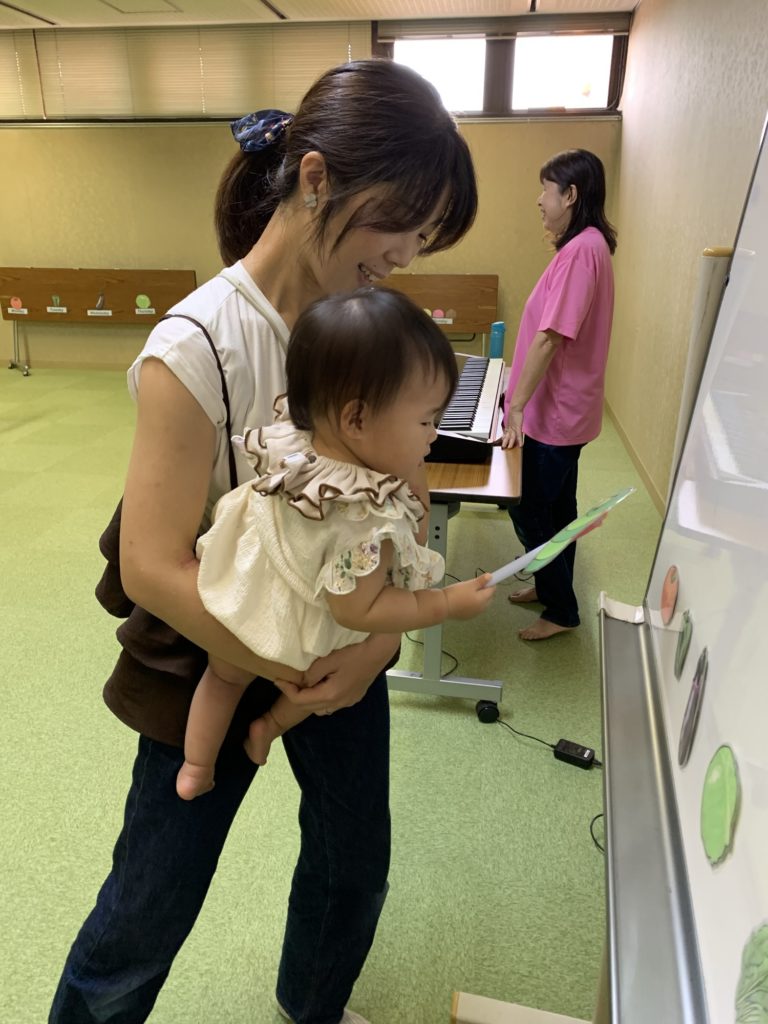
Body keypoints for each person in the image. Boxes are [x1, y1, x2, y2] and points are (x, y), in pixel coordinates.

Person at [49, 59, 478, 1024]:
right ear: (316, 179)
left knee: (353, 861)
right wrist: (284, 663)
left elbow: (407, 500)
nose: (407, 253)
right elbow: (149, 563)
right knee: (150, 900)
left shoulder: (376, 329)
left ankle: (310, 1003)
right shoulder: (197, 343)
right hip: (217, 646)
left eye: (425, 235)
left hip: (345, 642)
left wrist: (373, 646)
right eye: (401, 223)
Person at [177, 287, 496, 798]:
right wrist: (445, 604)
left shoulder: (304, 441)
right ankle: (271, 725)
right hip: (299, 618)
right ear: (357, 419)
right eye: (425, 421)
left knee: (223, 678)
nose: (434, 435)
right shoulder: (365, 517)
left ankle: (196, 765)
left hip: (245, 592)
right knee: (322, 677)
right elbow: (359, 609)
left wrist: (411, 462)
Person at [500, 149, 616, 641]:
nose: (539, 201)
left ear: (570, 195)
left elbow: (550, 338)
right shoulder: (587, 247)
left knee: (529, 507)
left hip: (557, 413)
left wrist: (516, 408)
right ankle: (552, 586)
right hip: (566, 409)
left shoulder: (581, 252)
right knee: (559, 509)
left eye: (546, 190)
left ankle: (561, 609)